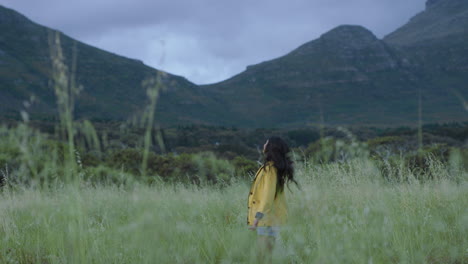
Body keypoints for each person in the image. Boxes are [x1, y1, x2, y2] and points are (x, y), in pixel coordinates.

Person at [247, 136, 297, 262]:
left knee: (263, 257)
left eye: (266, 143)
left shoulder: (270, 170)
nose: (264, 145)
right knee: (265, 256)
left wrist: (257, 218)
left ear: (270, 147)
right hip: (270, 218)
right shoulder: (272, 168)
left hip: (267, 219)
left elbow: (267, 197)